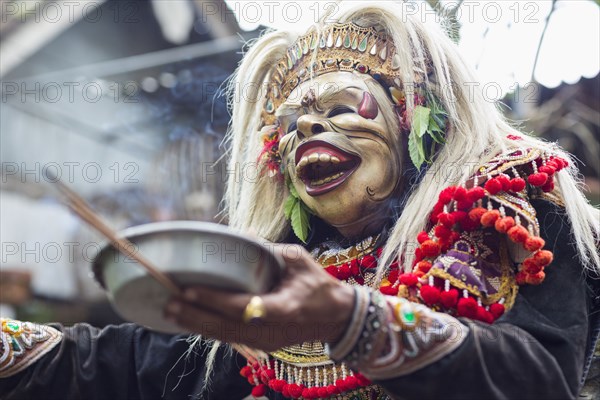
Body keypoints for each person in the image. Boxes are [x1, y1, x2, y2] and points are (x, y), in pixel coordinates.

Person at [2, 3, 599, 399]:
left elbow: (538, 379)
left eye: (340, 108)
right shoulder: (271, 283)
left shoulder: (503, 207)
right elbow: (124, 363)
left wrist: (345, 317)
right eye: (290, 124)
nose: (306, 132)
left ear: (416, 123)